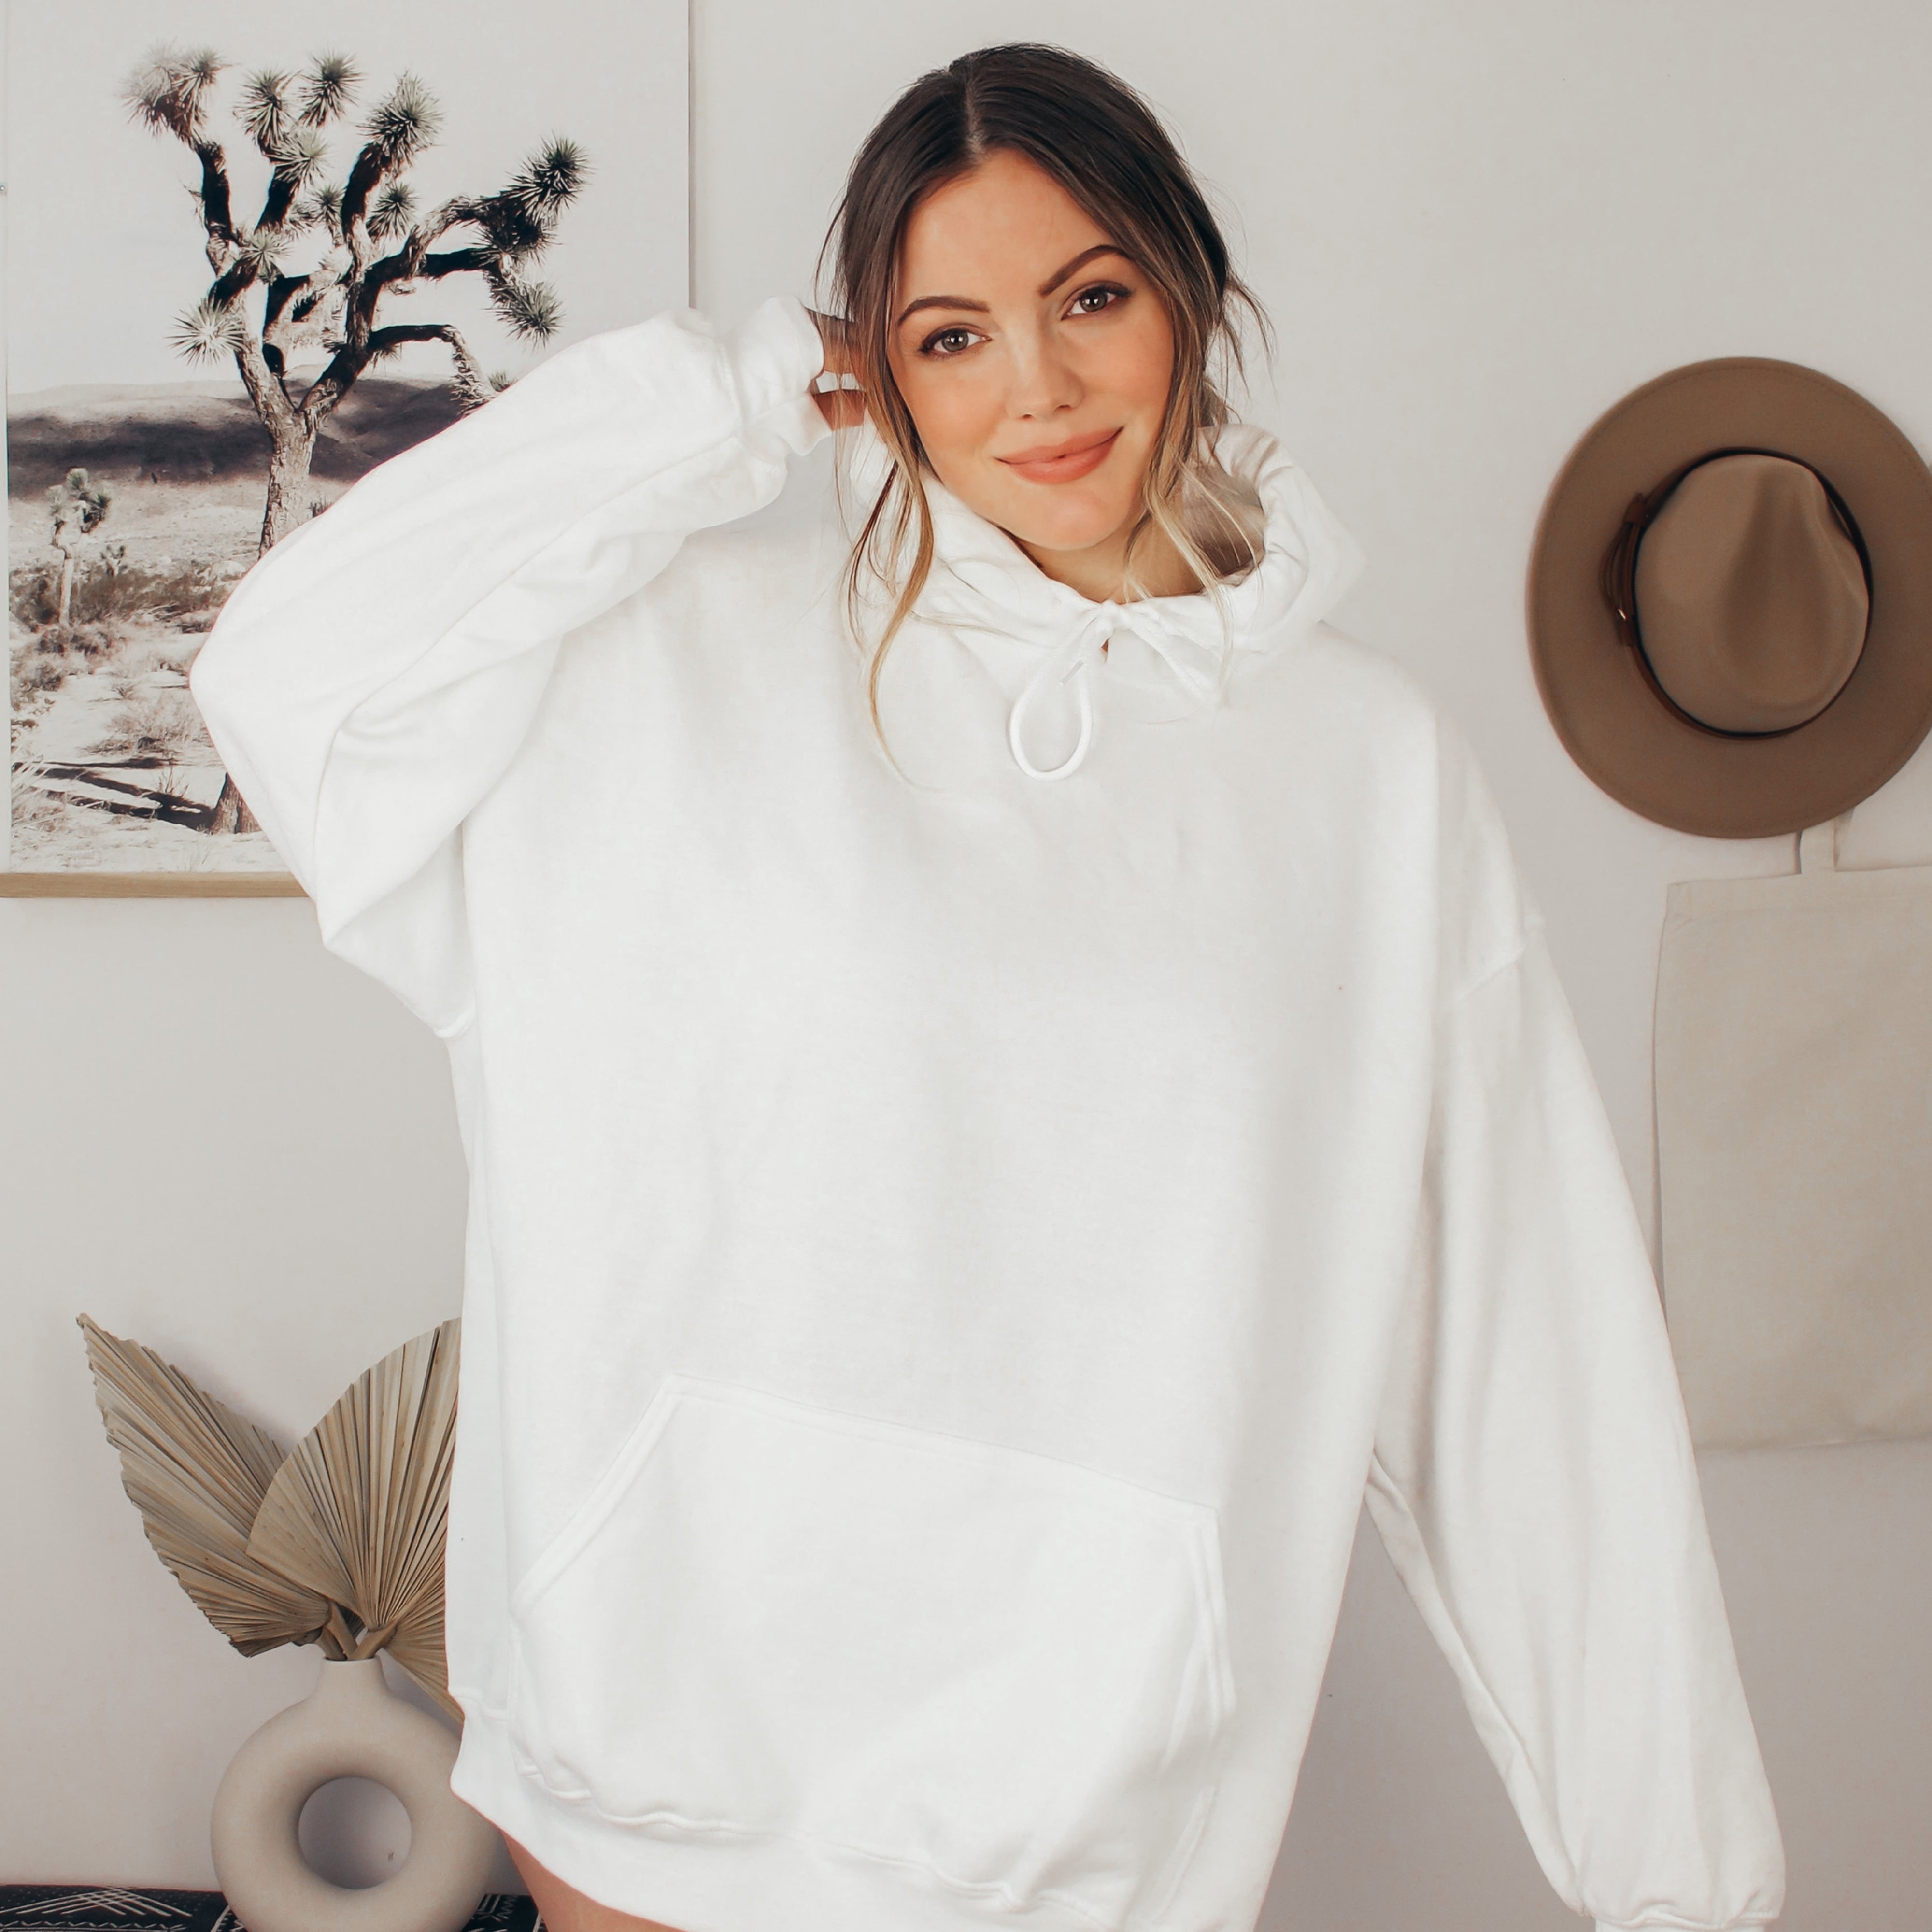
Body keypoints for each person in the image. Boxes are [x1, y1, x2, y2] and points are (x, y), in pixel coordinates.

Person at [188, 41, 1785, 1932]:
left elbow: (1527, 1359)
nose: (1036, 387)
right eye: (951, 335)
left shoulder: (1368, 775)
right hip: (657, 1792)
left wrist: (1684, 1890)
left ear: (1191, 292)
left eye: (1089, 299)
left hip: (1088, 1842)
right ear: (875, 364)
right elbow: (288, 679)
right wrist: (721, 399)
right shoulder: (662, 665)